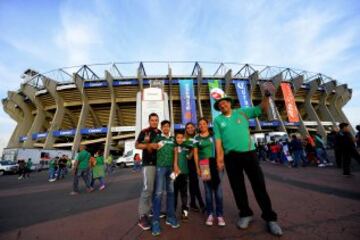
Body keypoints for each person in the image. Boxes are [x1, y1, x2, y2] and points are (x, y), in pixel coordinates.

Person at [213, 89, 283, 236]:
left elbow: (261, 108)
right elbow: (218, 141)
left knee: (259, 185)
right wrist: (219, 160)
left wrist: (266, 96)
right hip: (231, 157)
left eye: (224, 102)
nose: (222, 105)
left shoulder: (243, 112)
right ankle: (245, 214)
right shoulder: (218, 120)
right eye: (219, 104)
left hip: (249, 154)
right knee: (237, 188)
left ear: (229, 103)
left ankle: (270, 218)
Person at [194, 118, 226, 227]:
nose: (202, 125)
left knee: (218, 191)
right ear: (198, 126)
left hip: (215, 163)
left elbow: (220, 148)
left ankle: (220, 215)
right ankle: (210, 214)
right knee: (208, 191)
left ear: (207, 125)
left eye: (204, 123)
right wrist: (197, 168)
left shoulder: (214, 136)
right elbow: (195, 154)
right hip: (204, 165)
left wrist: (221, 161)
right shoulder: (196, 138)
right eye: (200, 124)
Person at [151, 120, 179, 236]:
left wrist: (176, 165)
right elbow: (152, 147)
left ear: (169, 127)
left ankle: (170, 217)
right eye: (164, 126)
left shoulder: (172, 139)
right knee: (158, 193)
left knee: (171, 192)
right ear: (161, 128)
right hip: (160, 168)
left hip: (171, 169)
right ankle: (155, 222)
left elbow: (176, 151)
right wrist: (153, 145)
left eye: (168, 126)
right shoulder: (157, 138)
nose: (166, 128)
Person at [136, 113, 161, 231]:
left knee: (157, 190)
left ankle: (153, 210)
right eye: (152, 120)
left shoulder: (160, 132)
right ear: (149, 121)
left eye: (156, 120)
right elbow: (137, 145)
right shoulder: (145, 131)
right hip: (148, 164)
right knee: (147, 189)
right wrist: (149, 145)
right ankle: (142, 216)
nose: (154, 122)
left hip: (159, 164)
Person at [185, 122, 205, 212]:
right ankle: (201, 203)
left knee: (195, 183)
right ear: (186, 129)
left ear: (194, 128)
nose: (190, 129)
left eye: (191, 127)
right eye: (188, 127)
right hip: (188, 163)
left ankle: (193, 203)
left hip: (201, 162)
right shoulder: (184, 139)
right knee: (194, 183)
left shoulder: (198, 137)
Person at [173, 130, 190, 221]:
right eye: (178, 138)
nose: (180, 139)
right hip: (174, 174)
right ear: (175, 139)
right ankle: (173, 212)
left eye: (181, 138)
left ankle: (185, 213)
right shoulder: (173, 147)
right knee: (174, 194)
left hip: (184, 173)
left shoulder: (186, 147)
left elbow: (189, 157)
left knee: (184, 194)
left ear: (184, 138)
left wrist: (192, 151)